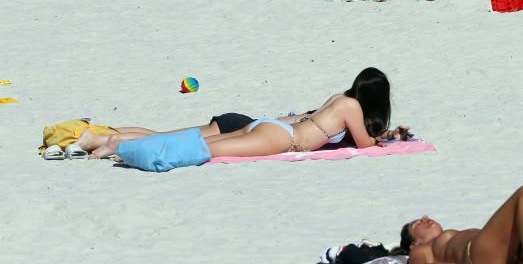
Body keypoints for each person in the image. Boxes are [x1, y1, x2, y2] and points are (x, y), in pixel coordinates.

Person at [90, 68, 393, 159]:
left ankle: (108, 142)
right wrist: (384, 140)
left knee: (190, 139)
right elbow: (365, 144)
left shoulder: (339, 98)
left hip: (269, 125)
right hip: (282, 138)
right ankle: (118, 146)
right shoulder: (352, 107)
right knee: (201, 149)